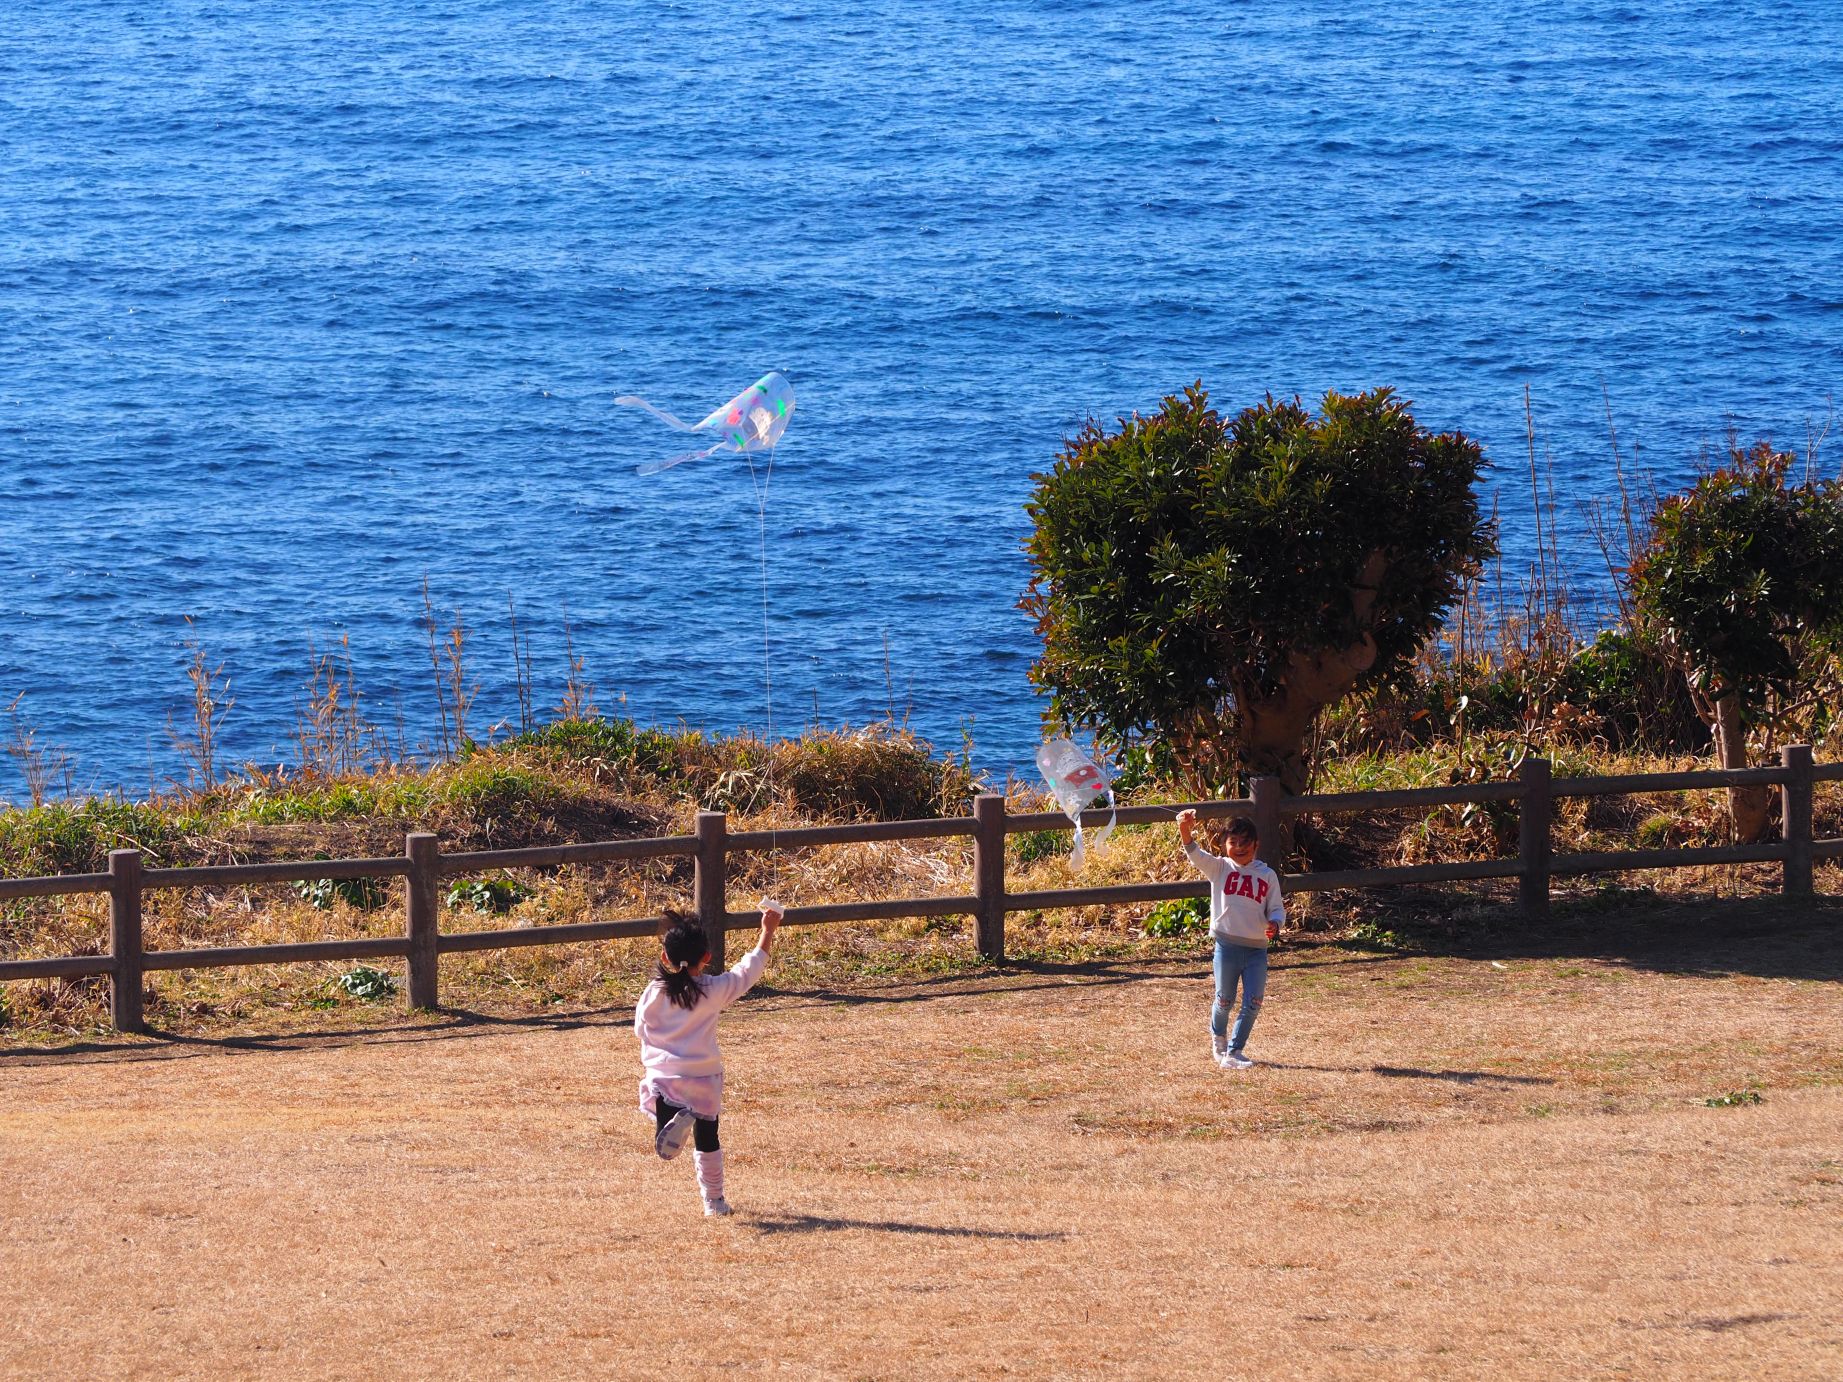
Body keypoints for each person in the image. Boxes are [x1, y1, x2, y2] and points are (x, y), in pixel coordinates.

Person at [634, 900, 782, 1216]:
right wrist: (767, 931)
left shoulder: (654, 991)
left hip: (666, 1073)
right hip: (704, 1076)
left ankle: (672, 1119)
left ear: (665, 957)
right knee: (708, 1137)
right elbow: (749, 969)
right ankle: (713, 1201)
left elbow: (640, 1028)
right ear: (707, 957)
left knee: (663, 1108)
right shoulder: (713, 990)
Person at [1177, 810, 1284, 1069]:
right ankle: (1219, 1039)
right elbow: (1194, 853)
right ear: (1223, 845)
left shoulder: (1267, 875)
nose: (1239, 847)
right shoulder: (1220, 868)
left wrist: (1275, 924)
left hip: (1257, 950)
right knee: (1224, 1000)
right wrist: (1184, 829)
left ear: (1256, 845)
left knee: (1254, 1002)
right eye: (1233, 842)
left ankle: (1235, 1052)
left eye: (1245, 842)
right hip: (1226, 947)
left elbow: (1276, 909)